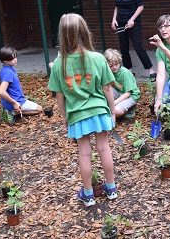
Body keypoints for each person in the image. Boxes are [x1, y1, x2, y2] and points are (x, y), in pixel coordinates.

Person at [48, 13, 118, 207]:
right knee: (104, 148)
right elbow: (107, 89)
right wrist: (112, 111)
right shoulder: (97, 58)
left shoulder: (58, 65)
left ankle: (88, 194)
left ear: (62, 35)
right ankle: (111, 189)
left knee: (84, 153)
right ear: (84, 32)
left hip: (77, 115)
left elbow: (59, 96)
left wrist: (65, 117)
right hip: (99, 111)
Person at [111, 0, 156, 79]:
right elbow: (117, 7)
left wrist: (132, 20)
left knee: (138, 46)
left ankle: (150, 70)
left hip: (133, 24)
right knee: (124, 48)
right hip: (121, 23)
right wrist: (114, 20)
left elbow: (141, 6)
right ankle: (129, 71)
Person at [0, 46, 43, 123]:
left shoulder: (5, 69)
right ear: (4, 60)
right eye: (11, 58)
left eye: (15, 56)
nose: (15, 60)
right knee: (40, 109)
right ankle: (13, 112)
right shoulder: (8, 72)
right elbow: (1, 92)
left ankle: (11, 110)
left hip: (14, 100)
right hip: (16, 101)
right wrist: (14, 103)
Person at [103, 48, 140, 119]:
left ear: (119, 62)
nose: (114, 67)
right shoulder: (108, 72)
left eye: (116, 64)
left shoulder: (124, 73)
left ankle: (129, 109)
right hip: (119, 92)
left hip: (131, 96)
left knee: (115, 110)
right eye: (111, 65)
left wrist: (114, 102)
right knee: (104, 87)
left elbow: (128, 93)